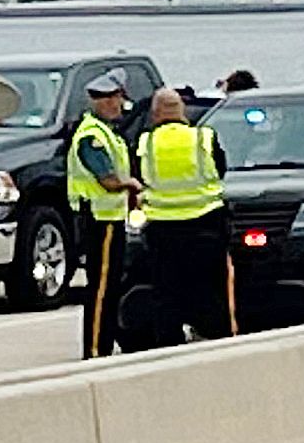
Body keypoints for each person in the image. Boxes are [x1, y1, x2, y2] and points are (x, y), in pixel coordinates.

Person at [132, 86, 236, 345]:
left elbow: (139, 177)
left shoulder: (146, 143)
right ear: (183, 112)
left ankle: (169, 343)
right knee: (211, 288)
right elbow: (220, 170)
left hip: (163, 228)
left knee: (166, 293)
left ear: (155, 114)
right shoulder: (203, 138)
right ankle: (216, 337)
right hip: (206, 223)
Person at [67, 72, 139, 358]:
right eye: (112, 99)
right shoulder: (92, 137)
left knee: (110, 287)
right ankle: (96, 348)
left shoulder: (106, 132)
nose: (117, 104)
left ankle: (107, 342)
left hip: (110, 218)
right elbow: (107, 180)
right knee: (101, 289)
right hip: (99, 219)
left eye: (117, 98)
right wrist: (132, 185)